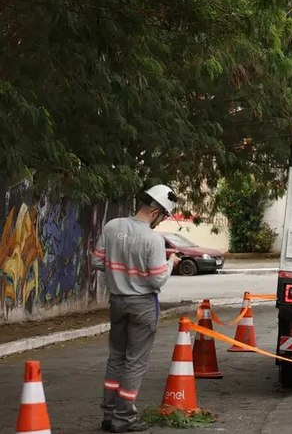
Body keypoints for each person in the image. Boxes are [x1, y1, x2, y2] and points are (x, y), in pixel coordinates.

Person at [91, 185, 180, 432]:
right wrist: (170, 263)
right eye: (163, 217)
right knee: (135, 361)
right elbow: (156, 280)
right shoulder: (153, 239)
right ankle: (124, 418)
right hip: (142, 305)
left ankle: (109, 415)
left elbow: (97, 260)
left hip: (117, 302)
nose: (161, 222)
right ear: (155, 212)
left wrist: (119, 271)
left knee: (116, 358)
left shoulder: (112, 226)